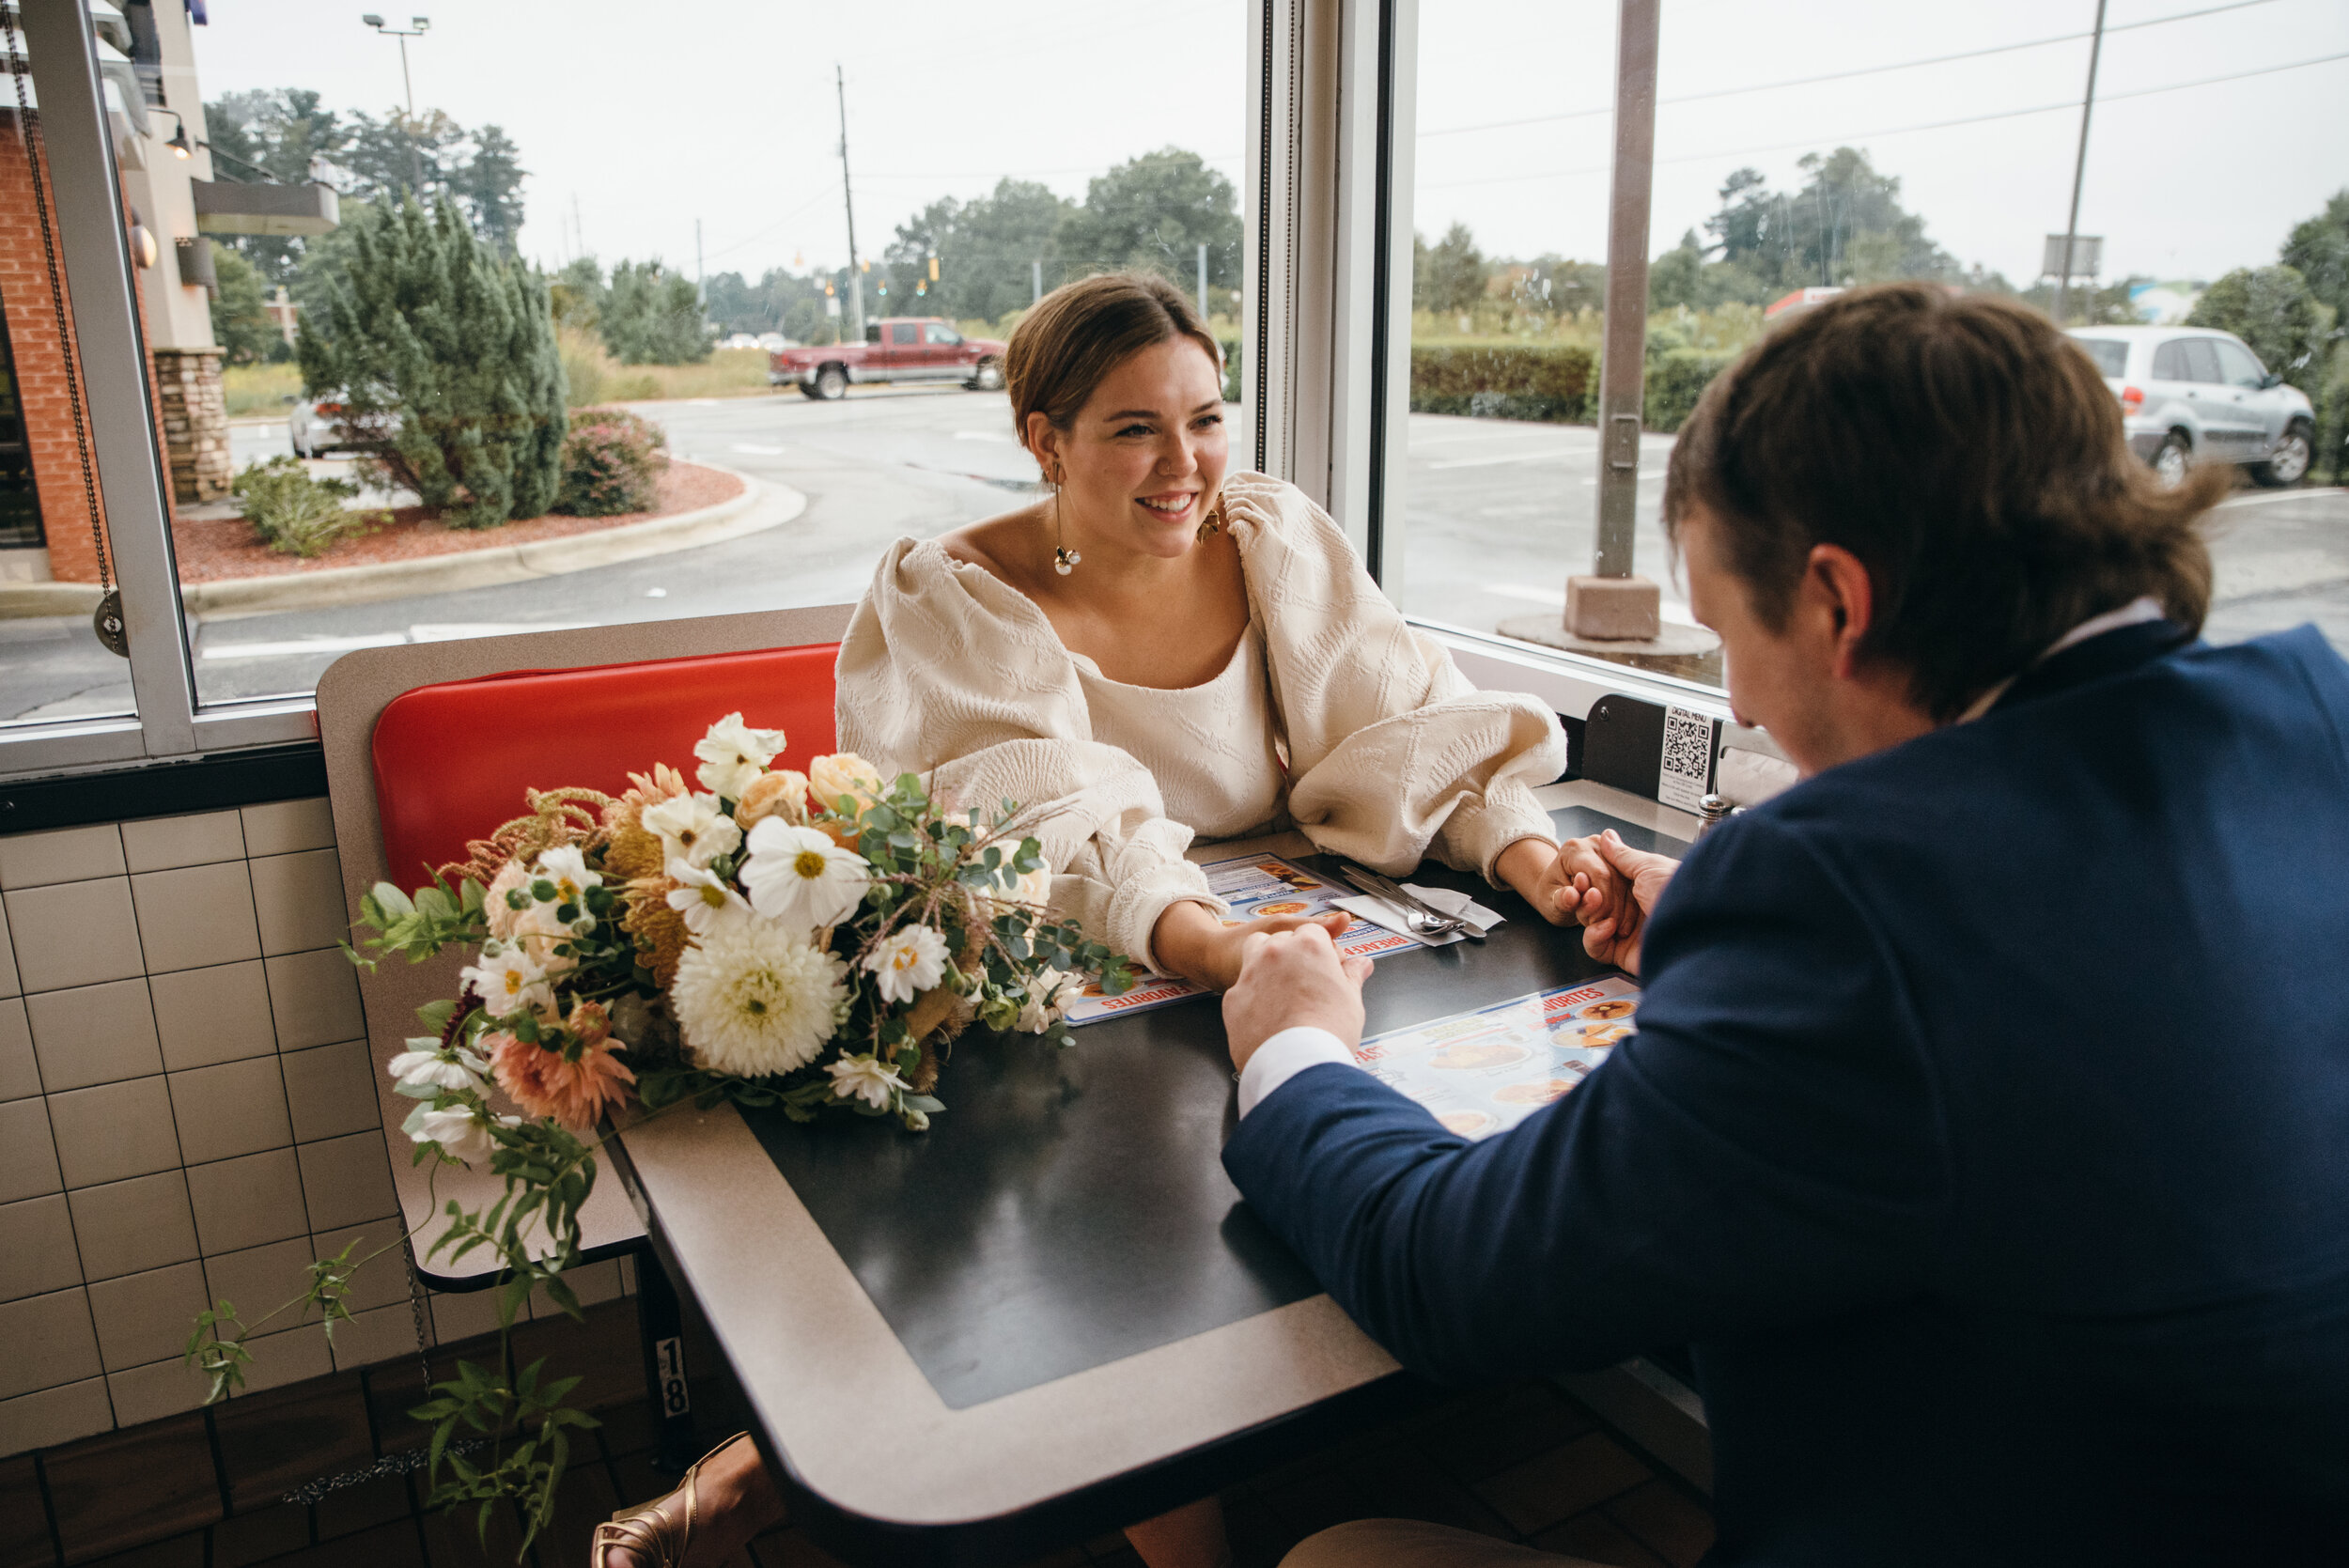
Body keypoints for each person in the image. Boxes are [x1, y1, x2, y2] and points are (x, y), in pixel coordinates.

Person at [1218, 284, 2349, 1567]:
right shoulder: (2316, 719)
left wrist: (1293, 1048)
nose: (1743, 710)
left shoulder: (1845, 905)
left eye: (1726, 633)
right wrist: (1713, 929)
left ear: (1837, 602)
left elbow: (1456, 1277)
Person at [594, 272, 1588, 1568]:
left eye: (1208, 418)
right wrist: (1217, 946)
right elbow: (1055, 829)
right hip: (1054, 977)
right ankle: (791, 1467)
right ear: (1043, 438)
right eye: (1134, 428)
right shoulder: (953, 595)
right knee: (1111, 1265)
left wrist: (1532, 854)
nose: (1186, 464)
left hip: (1270, 967)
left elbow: (1402, 728)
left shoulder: (1274, 539)